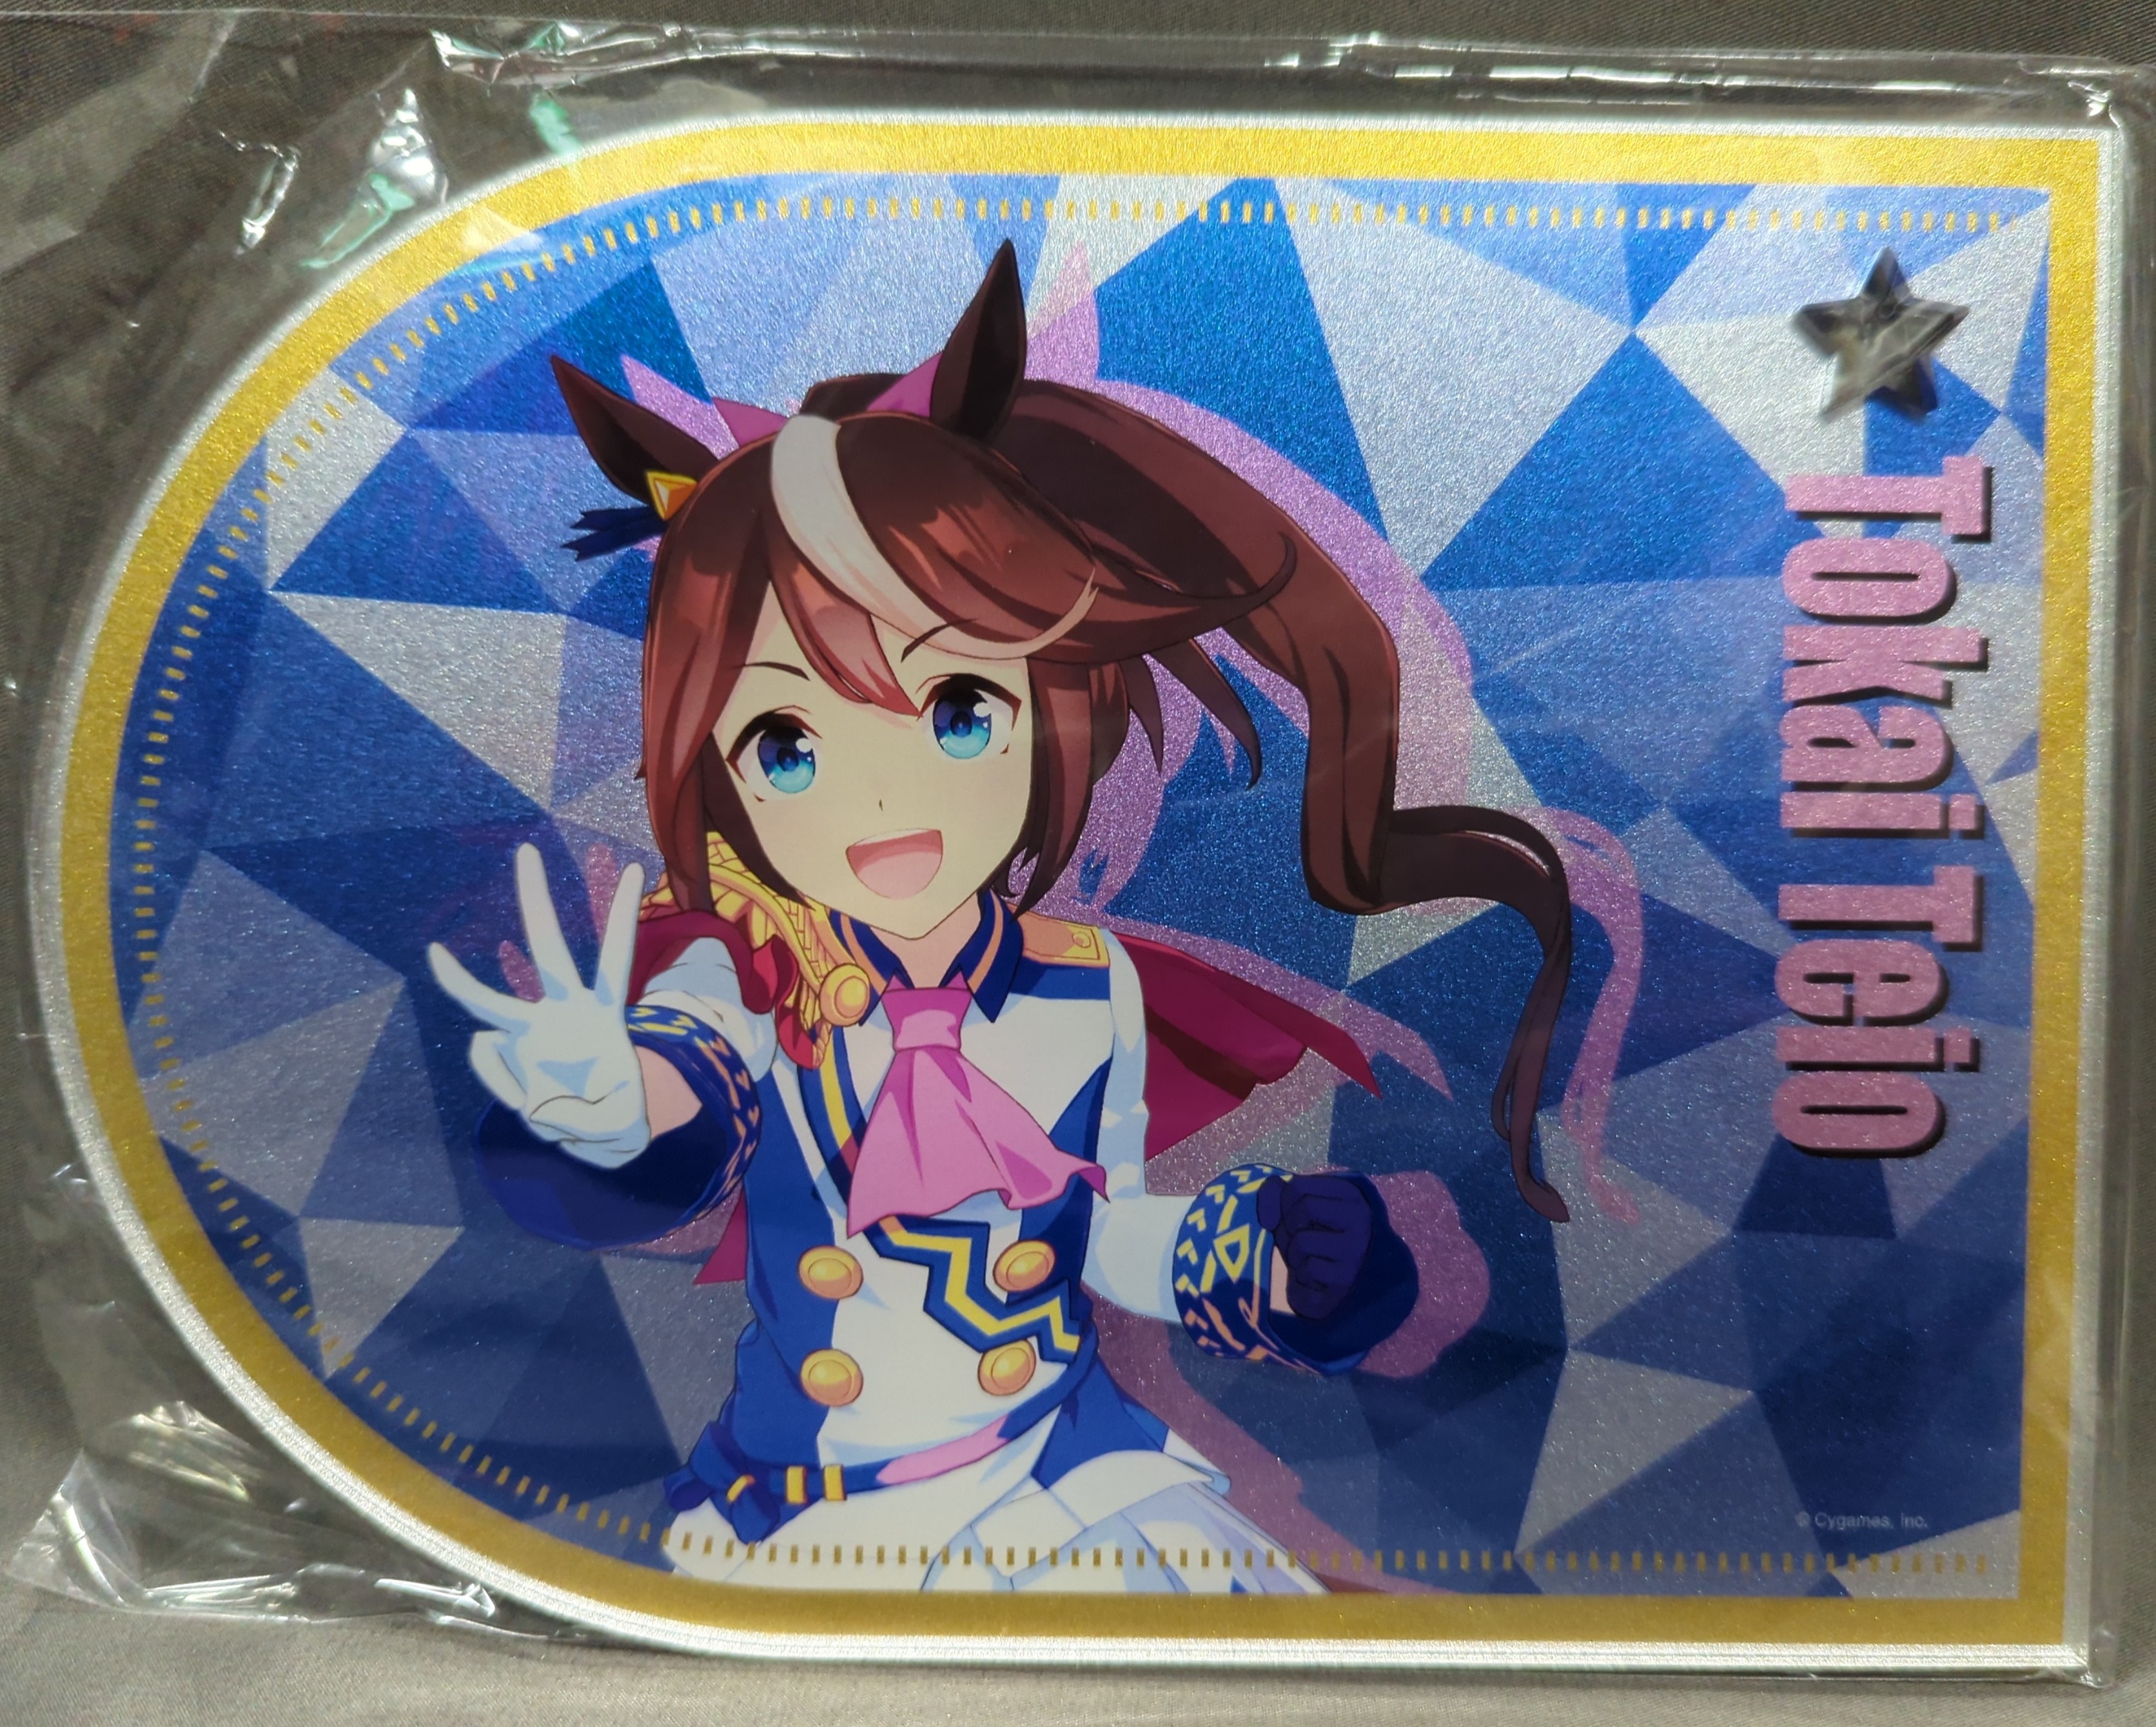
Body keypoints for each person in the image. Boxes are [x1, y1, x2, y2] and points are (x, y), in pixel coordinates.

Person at [427, 242, 1574, 1592]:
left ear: (1046, 707)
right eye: (790, 742)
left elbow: (1105, 1231)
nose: (884, 795)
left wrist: (1274, 1263)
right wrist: (613, 1117)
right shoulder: (751, 973)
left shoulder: (1081, 989)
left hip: (1070, 1474)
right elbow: (697, 1084)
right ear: (719, 764)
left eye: (959, 709)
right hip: (821, 1509)